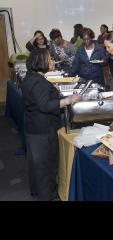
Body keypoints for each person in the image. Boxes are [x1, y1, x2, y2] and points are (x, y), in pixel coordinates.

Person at [21, 48, 81, 201]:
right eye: (50, 59)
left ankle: (40, 192)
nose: (53, 61)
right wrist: (68, 100)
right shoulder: (37, 82)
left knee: (38, 165)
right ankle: (48, 196)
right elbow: (45, 105)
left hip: (35, 126)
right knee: (45, 165)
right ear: (41, 62)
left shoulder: (32, 77)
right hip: (43, 129)